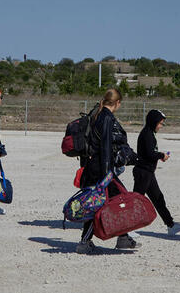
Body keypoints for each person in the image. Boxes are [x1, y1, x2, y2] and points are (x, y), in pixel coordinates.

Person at [76, 88, 139, 254]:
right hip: (102, 170)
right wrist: (107, 174)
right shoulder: (107, 118)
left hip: (96, 167)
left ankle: (123, 237)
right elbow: (105, 146)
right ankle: (84, 242)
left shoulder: (98, 114)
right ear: (117, 103)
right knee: (99, 204)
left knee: (116, 199)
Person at [133, 110, 180, 236]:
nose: (161, 126)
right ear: (153, 122)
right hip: (143, 172)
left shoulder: (150, 133)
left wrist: (160, 156)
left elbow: (151, 153)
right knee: (136, 201)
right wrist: (161, 155)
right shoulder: (146, 134)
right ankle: (128, 229)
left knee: (158, 198)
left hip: (148, 172)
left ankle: (171, 225)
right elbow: (149, 153)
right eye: (160, 123)